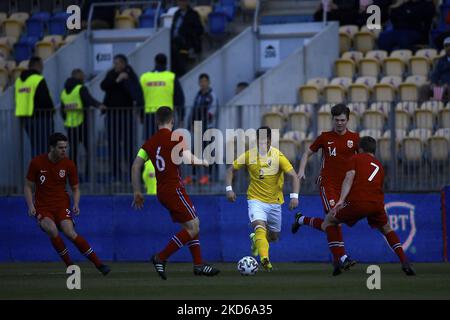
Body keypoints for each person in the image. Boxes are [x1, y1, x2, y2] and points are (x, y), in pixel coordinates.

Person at [294, 136, 416, 276]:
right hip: (376, 203)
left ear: (360, 149)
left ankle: (339, 259)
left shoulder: (355, 159)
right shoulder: (379, 166)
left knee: (329, 221)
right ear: (374, 150)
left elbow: (349, 176)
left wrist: (341, 200)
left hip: (358, 202)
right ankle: (404, 260)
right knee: (387, 228)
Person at [131, 107, 220, 280]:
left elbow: (135, 166)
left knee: (190, 225)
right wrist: (203, 162)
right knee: (194, 226)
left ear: (157, 121)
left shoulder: (149, 142)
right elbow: (188, 159)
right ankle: (161, 257)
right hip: (174, 189)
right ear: (173, 121)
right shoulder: (177, 137)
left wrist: (137, 191)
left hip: (162, 191)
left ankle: (199, 265)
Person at [24, 132, 110, 275]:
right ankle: (70, 266)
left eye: (65, 147)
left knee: (70, 232)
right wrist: (30, 205)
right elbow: (27, 186)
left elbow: (75, 188)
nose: (64, 150)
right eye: (60, 147)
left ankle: (99, 264)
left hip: (62, 205)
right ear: (51, 148)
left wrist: (76, 204)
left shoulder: (69, 164)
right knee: (52, 229)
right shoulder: (37, 162)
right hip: (43, 207)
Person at [225, 126, 300, 271]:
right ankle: (265, 260)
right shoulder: (249, 155)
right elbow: (230, 170)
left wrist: (294, 197)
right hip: (255, 199)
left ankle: (256, 240)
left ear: (270, 140)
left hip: (275, 203)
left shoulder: (278, 156)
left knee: (273, 237)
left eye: (265, 141)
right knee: (259, 226)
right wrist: (229, 189)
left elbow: (293, 176)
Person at [292, 104, 360, 261]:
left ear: (348, 120)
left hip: (345, 188)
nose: (340, 123)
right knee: (335, 218)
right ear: (332, 120)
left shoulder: (355, 139)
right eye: (337, 120)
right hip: (327, 184)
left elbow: (362, 161)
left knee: (330, 223)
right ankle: (342, 258)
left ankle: (302, 220)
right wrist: (301, 171)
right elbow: (306, 154)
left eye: (343, 120)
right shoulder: (325, 137)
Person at [100, 54, 143, 182]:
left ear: (124, 64)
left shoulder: (130, 74)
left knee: (129, 145)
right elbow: (104, 86)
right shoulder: (112, 74)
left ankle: (132, 173)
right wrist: (117, 79)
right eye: (114, 63)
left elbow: (136, 93)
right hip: (112, 116)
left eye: (117, 63)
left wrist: (126, 80)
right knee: (113, 145)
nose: (115, 65)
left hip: (127, 116)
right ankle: (115, 174)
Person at [60, 69, 106, 180]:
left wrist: (67, 120)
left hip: (70, 125)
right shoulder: (80, 88)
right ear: (78, 76)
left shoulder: (64, 92)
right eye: (82, 75)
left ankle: (72, 175)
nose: (84, 77)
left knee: (73, 152)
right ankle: (88, 175)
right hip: (82, 124)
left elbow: (62, 111)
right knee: (88, 150)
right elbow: (89, 100)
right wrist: (100, 105)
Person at [15, 56, 54, 156]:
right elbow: (44, 98)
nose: (42, 68)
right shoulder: (38, 79)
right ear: (38, 65)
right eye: (42, 66)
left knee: (35, 146)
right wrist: (52, 110)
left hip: (25, 119)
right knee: (43, 147)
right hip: (40, 118)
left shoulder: (19, 81)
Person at [184, 73, 219, 185]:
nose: (203, 83)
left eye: (205, 81)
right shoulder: (198, 95)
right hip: (197, 127)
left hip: (208, 127)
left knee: (207, 151)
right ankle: (193, 176)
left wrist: (201, 123)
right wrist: (190, 123)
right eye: (201, 81)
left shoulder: (212, 95)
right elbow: (194, 110)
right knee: (195, 151)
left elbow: (211, 112)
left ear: (208, 82)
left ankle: (208, 176)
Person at [140, 53, 185, 138]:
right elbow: (179, 98)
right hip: (166, 114)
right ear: (166, 63)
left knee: (151, 141)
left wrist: (141, 115)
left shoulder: (145, 77)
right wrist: (181, 116)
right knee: (166, 140)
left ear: (155, 62)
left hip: (150, 113)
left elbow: (140, 97)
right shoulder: (171, 77)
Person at [170, 0, 204, 76]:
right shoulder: (176, 14)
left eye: (183, 1)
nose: (181, 3)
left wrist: (189, 34)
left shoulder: (193, 14)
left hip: (187, 42)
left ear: (187, 2)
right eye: (179, 1)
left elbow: (199, 30)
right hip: (175, 42)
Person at [419, 37, 450, 102]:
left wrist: (447, 84)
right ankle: (424, 109)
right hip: (441, 85)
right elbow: (435, 74)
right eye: (446, 46)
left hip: (447, 85)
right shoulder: (441, 60)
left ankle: (445, 108)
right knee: (424, 88)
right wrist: (433, 83)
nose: (448, 48)